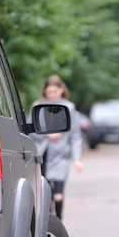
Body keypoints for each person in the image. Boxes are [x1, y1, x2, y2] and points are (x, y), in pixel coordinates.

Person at [31, 75, 83, 219]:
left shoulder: (69, 107)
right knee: (44, 192)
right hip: (43, 154)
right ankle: (47, 224)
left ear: (61, 90)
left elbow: (75, 135)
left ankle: (59, 220)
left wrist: (76, 158)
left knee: (58, 194)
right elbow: (30, 129)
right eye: (49, 92)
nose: (52, 95)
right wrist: (47, 135)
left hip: (61, 156)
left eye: (55, 91)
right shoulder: (38, 106)